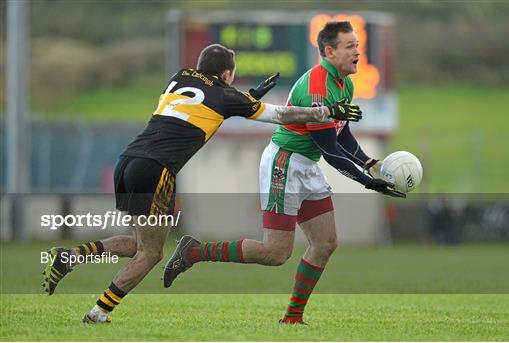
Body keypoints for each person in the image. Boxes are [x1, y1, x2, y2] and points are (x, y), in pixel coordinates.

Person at [42, 43, 362, 324]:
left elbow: (202, 106)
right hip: (157, 169)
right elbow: (283, 115)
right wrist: (328, 110)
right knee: (151, 254)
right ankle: (98, 313)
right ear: (226, 75)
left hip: (128, 161)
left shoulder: (180, 77)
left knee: (139, 244)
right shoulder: (226, 94)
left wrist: (245, 98)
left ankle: (69, 257)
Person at [163, 22, 404, 324]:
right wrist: (370, 183)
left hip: (305, 163)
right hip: (285, 163)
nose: (358, 51)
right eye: (350, 46)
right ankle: (195, 252)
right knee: (275, 253)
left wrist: (370, 164)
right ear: (329, 51)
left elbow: (341, 134)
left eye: (358, 44)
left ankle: (292, 318)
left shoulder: (346, 83)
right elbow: (329, 150)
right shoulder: (317, 86)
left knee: (326, 243)